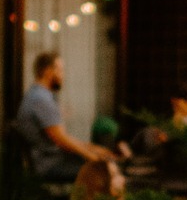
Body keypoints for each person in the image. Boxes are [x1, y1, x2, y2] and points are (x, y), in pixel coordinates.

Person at [14, 52, 115, 183]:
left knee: (107, 165)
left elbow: (63, 138)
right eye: (60, 70)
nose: (63, 75)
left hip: (55, 160)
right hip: (49, 165)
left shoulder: (39, 95)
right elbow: (62, 141)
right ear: (48, 71)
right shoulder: (41, 100)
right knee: (105, 173)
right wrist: (96, 159)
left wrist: (96, 150)